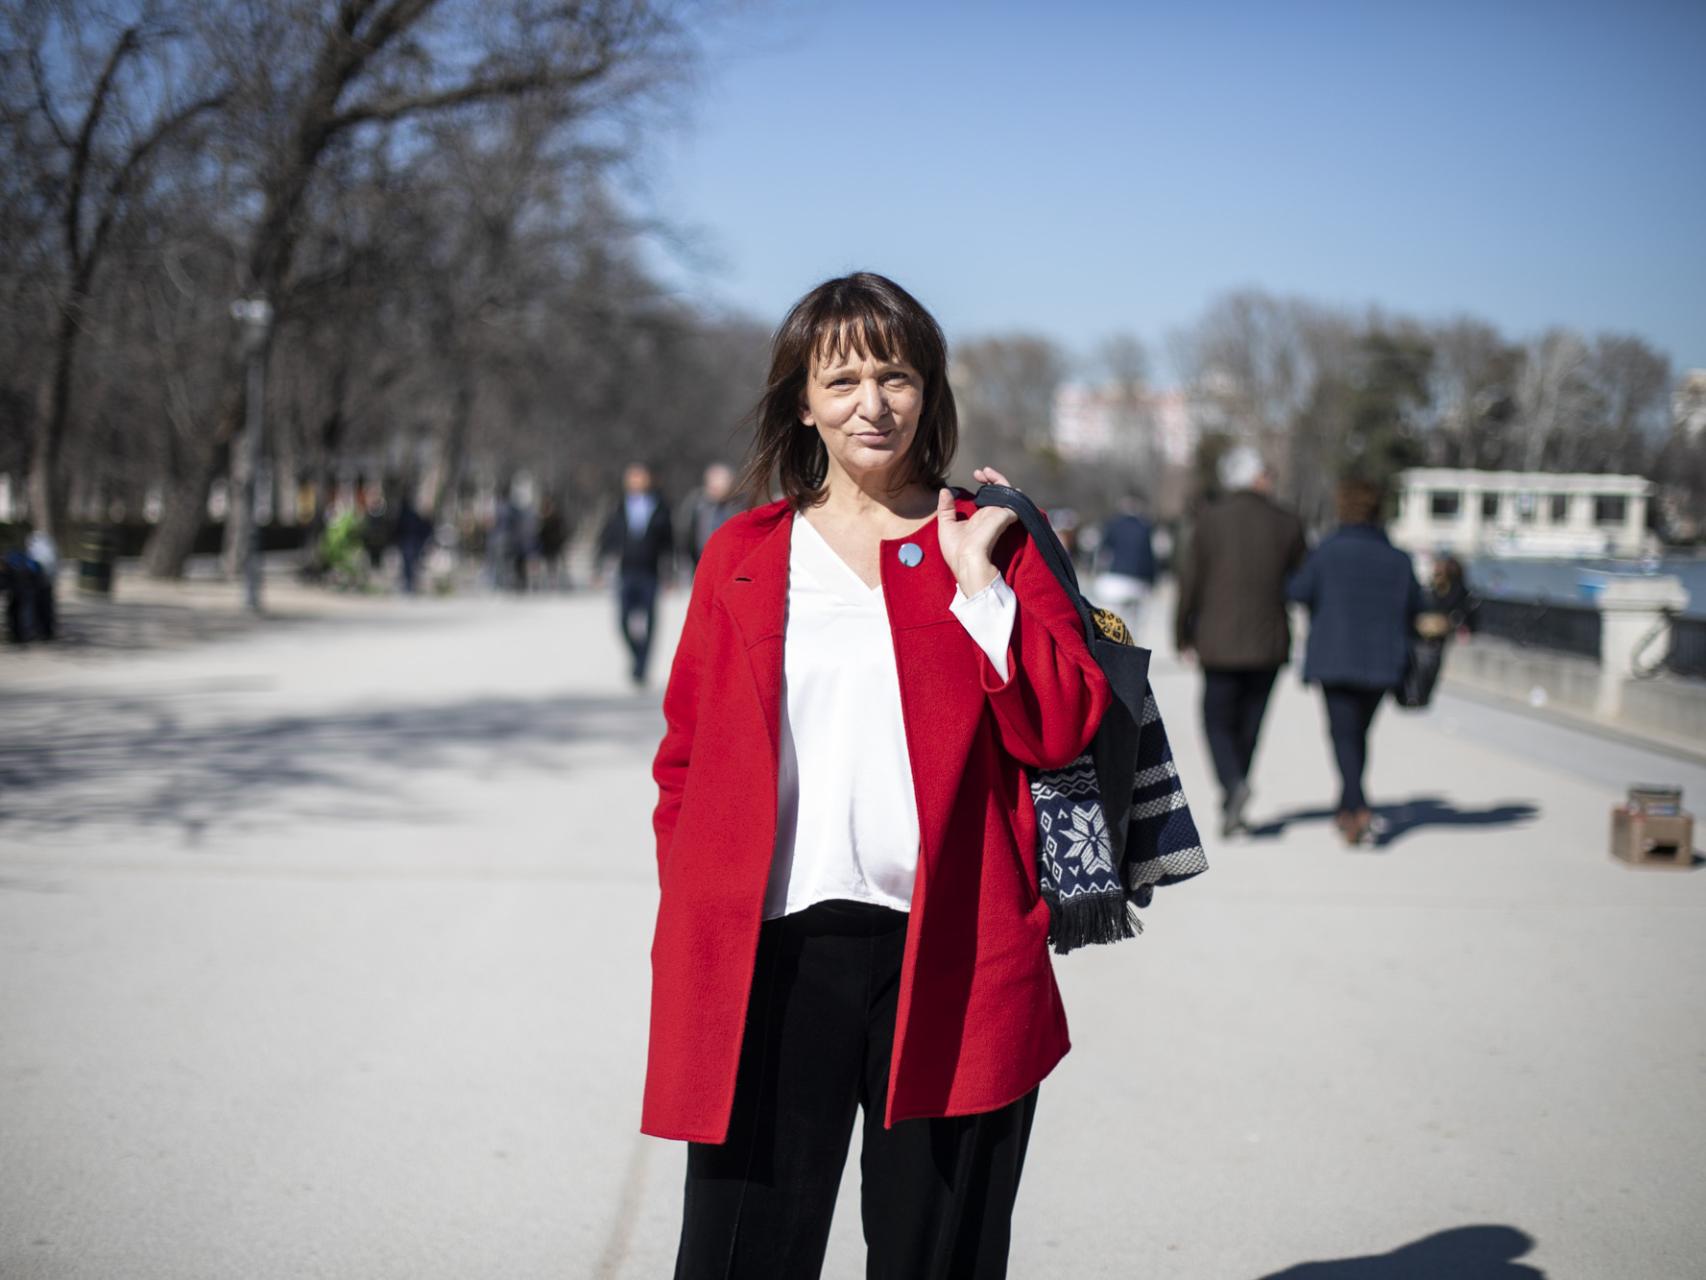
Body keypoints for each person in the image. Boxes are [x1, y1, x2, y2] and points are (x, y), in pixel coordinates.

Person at [647, 273, 1110, 1279]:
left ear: (927, 388)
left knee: (935, 1257)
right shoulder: (743, 553)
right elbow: (682, 760)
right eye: (843, 375)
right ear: (802, 398)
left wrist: (978, 581)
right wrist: (697, 899)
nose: (872, 400)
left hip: (954, 954)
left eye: (894, 373)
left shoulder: (990, 536)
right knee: (738, 1256)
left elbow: (1063, 720)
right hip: (773, 956)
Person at [1286, 476, 1426, 847]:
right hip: (1382, 661)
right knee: (1357, 733)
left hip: (1335, 656)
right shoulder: (1398, 559)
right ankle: (1349, 804)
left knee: (1343, 734)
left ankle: (1356, 804)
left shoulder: (1326, 552)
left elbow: (1298, 591)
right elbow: (1417, 607)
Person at [1174, 445, 1307, 837]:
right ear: (1255, 478)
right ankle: (1236, 791)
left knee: (1216, 720)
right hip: (1269, 639)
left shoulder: (1210, 521)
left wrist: (1182, 631)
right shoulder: (1288, 522)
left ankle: (1233, 786)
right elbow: (1301, 580)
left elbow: (1190, 581)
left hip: (1219, 639)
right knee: (1251, 723)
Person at [598, 462, 673, 684]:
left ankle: (642, 666)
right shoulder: (618, 506)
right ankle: (637, 654)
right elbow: (608, 536)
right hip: (626, 571)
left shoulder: (660, 506)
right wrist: (600, 565)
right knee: (622, 620)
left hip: (650, 571)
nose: (636, 481)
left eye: (640, 477)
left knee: (650, 620)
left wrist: (670, 573)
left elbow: (668, 543)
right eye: (632, 477)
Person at [1093, 493, 1157, 642]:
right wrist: (1152, 581)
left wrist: (1097, 574)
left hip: (1115, 581)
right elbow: (1150, 557)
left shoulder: (1112, 524)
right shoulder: (1145, 527)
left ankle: (1111, 654)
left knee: (1112, 624)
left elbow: (1103, 554)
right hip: (1138, 581)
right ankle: (1132, 655)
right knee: (1134, 625)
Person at [683, 461, 741, 567]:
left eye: (721, 483)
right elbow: (688, 533)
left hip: (731, 561)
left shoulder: (739, 506)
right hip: (701, 560)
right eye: (712, 482)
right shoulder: (697, 505)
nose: (716, 487)